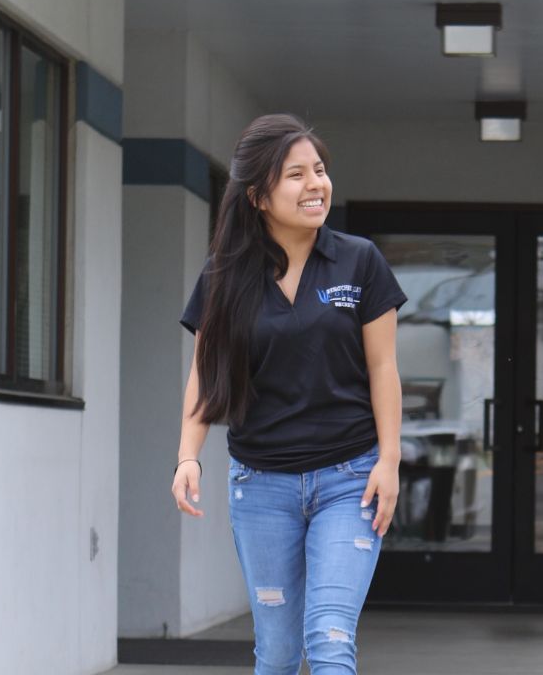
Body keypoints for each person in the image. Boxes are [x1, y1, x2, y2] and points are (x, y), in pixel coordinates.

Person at [170, 114, 406, 675]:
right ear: (258, 196)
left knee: (329, 640)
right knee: (276, 653)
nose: (315, 185)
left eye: (319, 171)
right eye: (295, 175)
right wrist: (187, 454)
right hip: (262, 483)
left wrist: (390, 460)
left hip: (350, 480)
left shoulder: (358, 260)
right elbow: (206, 372)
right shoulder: (225, 276)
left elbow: (383, 367)